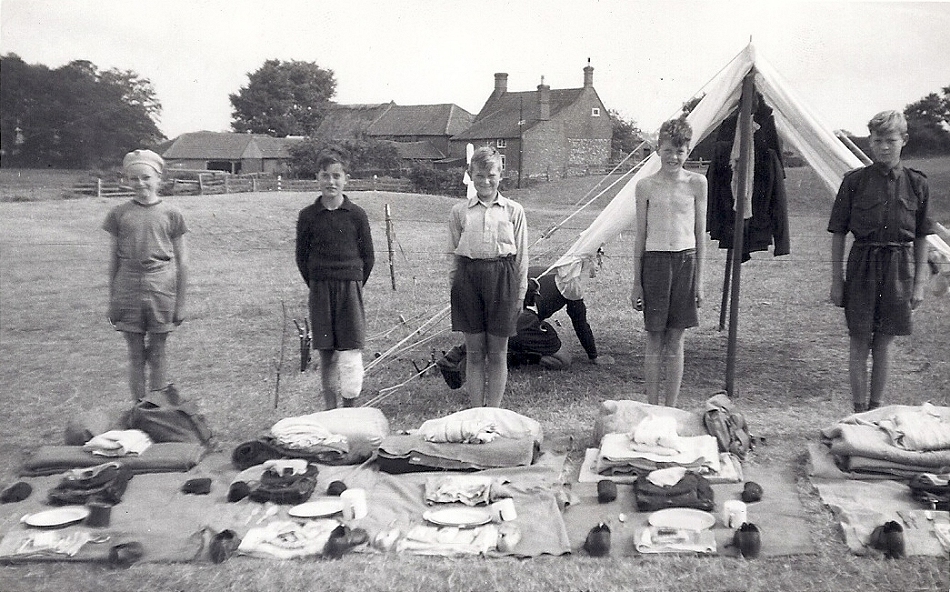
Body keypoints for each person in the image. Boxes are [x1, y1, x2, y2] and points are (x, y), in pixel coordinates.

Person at [828, 110, 934, 413]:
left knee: (885, 341)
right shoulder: (854, 182)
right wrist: (838, 281)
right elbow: (838, 233)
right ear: (870, 142)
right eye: (877, 141)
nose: (884, 147)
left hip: (898, 267)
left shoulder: (917, 184)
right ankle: (859, 411)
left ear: (904, 141)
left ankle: (876, 409)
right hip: (863, 264)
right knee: (859, 339)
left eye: (891, 140)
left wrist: (919, 286)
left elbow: (923, 236)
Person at [630, 118, 707, 407]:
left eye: (680, 151)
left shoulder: (697, 183)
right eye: (668, 151)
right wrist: (636, 283)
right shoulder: (645, 186)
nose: (673, 157)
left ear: (688, 151)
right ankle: (651, 406)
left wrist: (698, 282)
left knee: (676, 339)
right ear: (658, 150)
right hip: (655, 263)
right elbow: (640, 236)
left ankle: (670, 409)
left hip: (685, 262)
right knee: (654, 337)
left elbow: (700, 235)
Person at [104, 149, 189, 401]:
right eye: (134, 178)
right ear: (126, 180)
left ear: (158, 178)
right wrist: (112, 301)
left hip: (161, 286)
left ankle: (157, 410)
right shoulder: (119, 214)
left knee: (159, 351)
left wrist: (180, 304)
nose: (140, 183)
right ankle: (138, 408)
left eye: (146, 177)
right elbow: (113, 260)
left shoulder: (172, 214)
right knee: (135, 353)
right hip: (128, 286)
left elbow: (183, 261)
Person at [448, 146, 528, 407]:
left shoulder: (513, 211)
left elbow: (521, 256)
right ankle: (475, 410)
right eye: (479, 175)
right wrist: (455, 288)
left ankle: (492, 411)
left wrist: (519, 293)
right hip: (468, 279)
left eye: (491, 175)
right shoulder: (460, 212)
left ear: (500, 175)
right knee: (474, 353)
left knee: (497, 353)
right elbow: (452, 253)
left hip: (502, 279)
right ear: (470, 175)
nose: (485, 181)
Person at [296, 151, 375, 409]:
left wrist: (352, 282)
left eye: (336, 176)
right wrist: (318, 282)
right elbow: (301, 256)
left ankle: (350, 410)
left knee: (350, 354)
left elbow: (368, 257)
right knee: (327, 354)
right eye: (325, 176)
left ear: (346, 179)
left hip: (350, 287)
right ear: (317, 178)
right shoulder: (308, 216)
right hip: (320, 288)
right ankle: (331, 411)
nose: (331, 181)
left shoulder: (356, 215)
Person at [526, 262, 614, 365]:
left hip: (506, 319)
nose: (599, 264)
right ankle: (518, 356)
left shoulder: (541, 270)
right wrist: (594, 356)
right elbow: (580, 323)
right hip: (522, 323)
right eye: (596, 260)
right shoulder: (570, 284)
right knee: (563, 361)